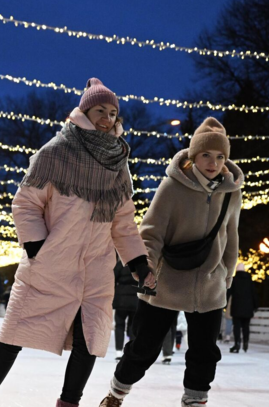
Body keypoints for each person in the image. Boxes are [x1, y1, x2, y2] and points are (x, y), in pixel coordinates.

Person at [0, 78, 150, 407]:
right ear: (84, 111)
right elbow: (26, 205)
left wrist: (139, 263)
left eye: (113, 112)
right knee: (13, 336)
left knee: (90, 341)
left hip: (95, 271)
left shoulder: (118, 166)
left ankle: (69, 403)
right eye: (100, 111)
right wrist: (38, 247)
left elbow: (122, 223)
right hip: (50, 265)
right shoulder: (55, 153)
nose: (107, 118)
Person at [101, 117, 243, 407]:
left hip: (210, 283)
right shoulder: (172, 187)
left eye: (220, 156)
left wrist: (227, 276)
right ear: (193, 156)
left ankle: (194, 401)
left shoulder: (232, 192)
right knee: (144, 346)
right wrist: (147, 267)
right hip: (165, 281)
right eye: (206, 155)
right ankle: (116, 394)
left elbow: (231, 235)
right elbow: (151, 233)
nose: (213, 162)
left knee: (204, 351)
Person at [228, 262, 258, 353]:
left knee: (236, 326)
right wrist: (255, 306)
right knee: (246, 326)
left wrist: (224, 304)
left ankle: (237, 343)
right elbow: (254, 294)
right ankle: (245, 343)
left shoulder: (234, 280)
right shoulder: (249, 281)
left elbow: (228, 293)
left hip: (237, 308)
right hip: (248, 309)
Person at [113, 257, 138, 361]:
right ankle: (131, 350)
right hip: (135, 299)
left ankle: (119, 351)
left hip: (121, 299)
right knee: (133, 326)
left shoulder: (120, 265)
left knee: (119, 325)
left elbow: (112, 279)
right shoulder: (138, 265)